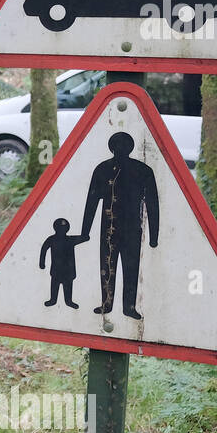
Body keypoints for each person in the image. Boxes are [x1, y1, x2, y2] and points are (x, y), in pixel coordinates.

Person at [80, 131, 159, 320]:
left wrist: (154, 237)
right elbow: (91, 203)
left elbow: (153, 205)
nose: (121, 149)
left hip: (131, 228)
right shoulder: (103, 169)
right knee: (107, 267)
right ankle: (107, 304)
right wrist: (85, 232)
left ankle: (128, 307)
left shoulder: (143, 171)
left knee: (130, 267)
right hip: (110, 227)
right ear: (112, 147)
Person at [39, 218, 87, 308]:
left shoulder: (70, 239)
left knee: (68, 286)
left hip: (68, 271)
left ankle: (69, 301)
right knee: (54, 285)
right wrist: (42, 263)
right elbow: (44, 249)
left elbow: (84, 238)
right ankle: (53, 300)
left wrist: (86, 230)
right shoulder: (52, 239)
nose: (62, 230)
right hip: (56, 270)